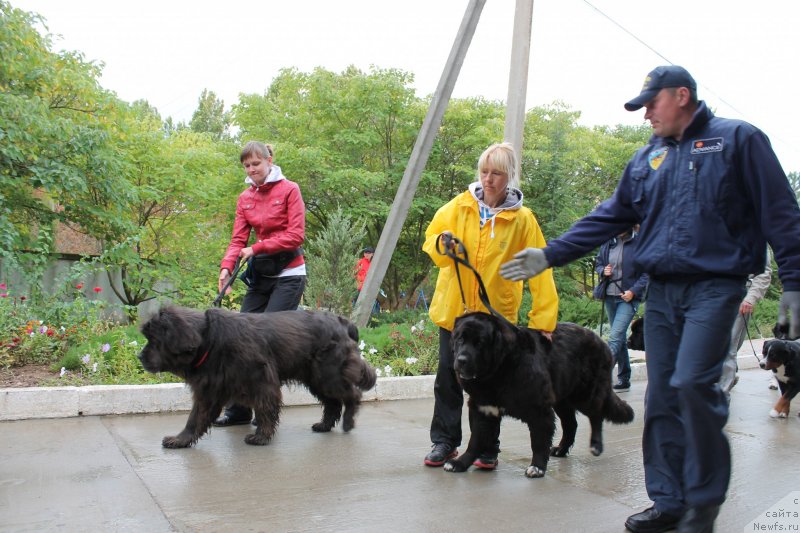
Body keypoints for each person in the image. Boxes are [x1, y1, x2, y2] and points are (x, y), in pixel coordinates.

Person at [499, 65, 800, 533]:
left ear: (682, 96)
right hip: (662, 293)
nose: (645, 116)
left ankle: (703, 504)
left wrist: (795, 284)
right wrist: (548, 254)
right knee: (661, 397)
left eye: (650, 105)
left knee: (693, 387)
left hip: (716, 287)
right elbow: (608, 217)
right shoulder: (646, 161)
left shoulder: (738, 140)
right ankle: (668, 501)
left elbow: (782, 214)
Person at [421, 142, 559, 469]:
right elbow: (432, 243)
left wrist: (543, 320)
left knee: (492, 384)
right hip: (455, 313)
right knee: (448, 377)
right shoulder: (458, 206)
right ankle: (444, 441)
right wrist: (444, 244)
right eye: (484, 172)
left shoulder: (523, 220)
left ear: (509, 175)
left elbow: (540, 267)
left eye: (496, 173)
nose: (488, 179)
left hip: (497, 318)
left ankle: (487, 448)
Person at [213, 141, 307, 427]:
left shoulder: (290, 189)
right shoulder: (245, 198)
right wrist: (227, 268)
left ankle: (266, 411)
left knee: (266, 342)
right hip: (261, 276)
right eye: (247, 165)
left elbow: (296, 235)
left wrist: (259, 247)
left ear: (269, 160)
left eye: (256, 163)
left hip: (289, 275)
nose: (252, 169)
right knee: (238, 340)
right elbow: (237, 240)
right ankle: (238, 410)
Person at [593, 226, 649, 392]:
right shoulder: (608, 242)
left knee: (615, 337)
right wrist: (604, 270)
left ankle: (599, 379)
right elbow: (598, 263)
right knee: (620, 339)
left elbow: (646, 273)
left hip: (628, 298)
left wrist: (633, 291)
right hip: (610, 295)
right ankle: (624, 377)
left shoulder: (639, 241)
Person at [719, 249, 772, 401]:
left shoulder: (753, 230)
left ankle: (720, 397)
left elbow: (763, 271)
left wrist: (750, 298)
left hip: (739, 296)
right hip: (707, 294)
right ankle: (727, 377)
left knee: (728, 347)